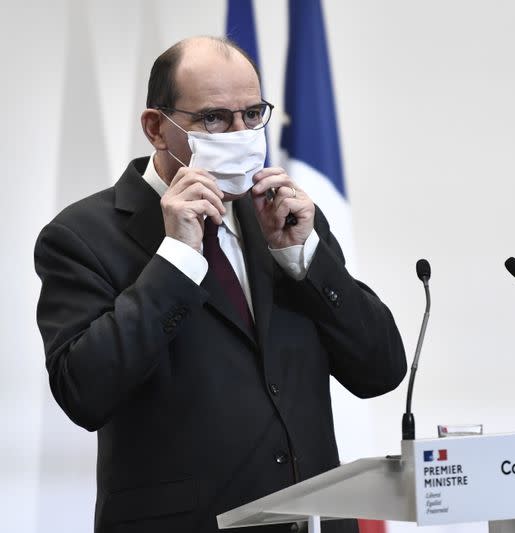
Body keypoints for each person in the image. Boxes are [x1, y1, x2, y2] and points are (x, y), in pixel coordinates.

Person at [34, 36, 407, 533]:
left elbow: (380, 369)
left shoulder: (282, 215)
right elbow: (84, 392)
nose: (240, 132)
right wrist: (176, 260)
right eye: (214, 118)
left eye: (252, 115)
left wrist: (303, 257)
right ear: (156, 128)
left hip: (314, 521)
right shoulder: (83, 235)